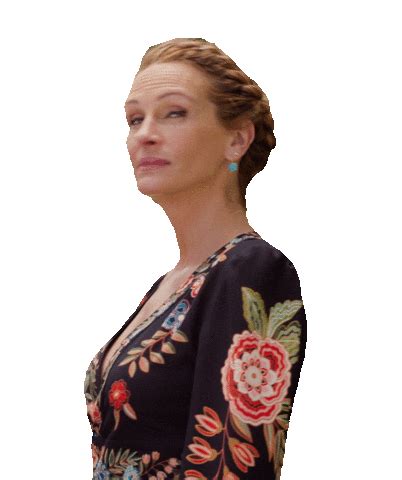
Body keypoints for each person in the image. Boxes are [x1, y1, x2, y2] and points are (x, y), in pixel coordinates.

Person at [84, 37, 307, 480]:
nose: (145, 133)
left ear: (236, 139)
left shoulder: (252, 271)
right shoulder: (169, 285)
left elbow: (233, 464)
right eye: (134, 119)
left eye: (174, 112)